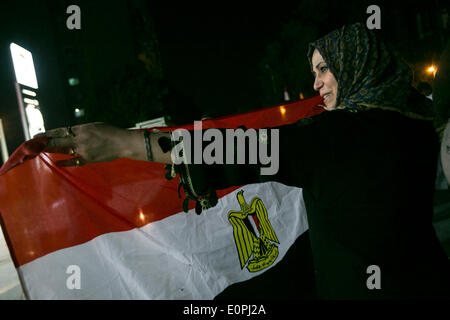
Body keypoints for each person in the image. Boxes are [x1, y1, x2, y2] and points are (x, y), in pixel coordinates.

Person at [39, 23, 450, 299]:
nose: (315, 83)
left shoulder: (337, 134)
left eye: (325, 68)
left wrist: (122, 142)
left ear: (356, 65)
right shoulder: (414, 122)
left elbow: (238, 149)